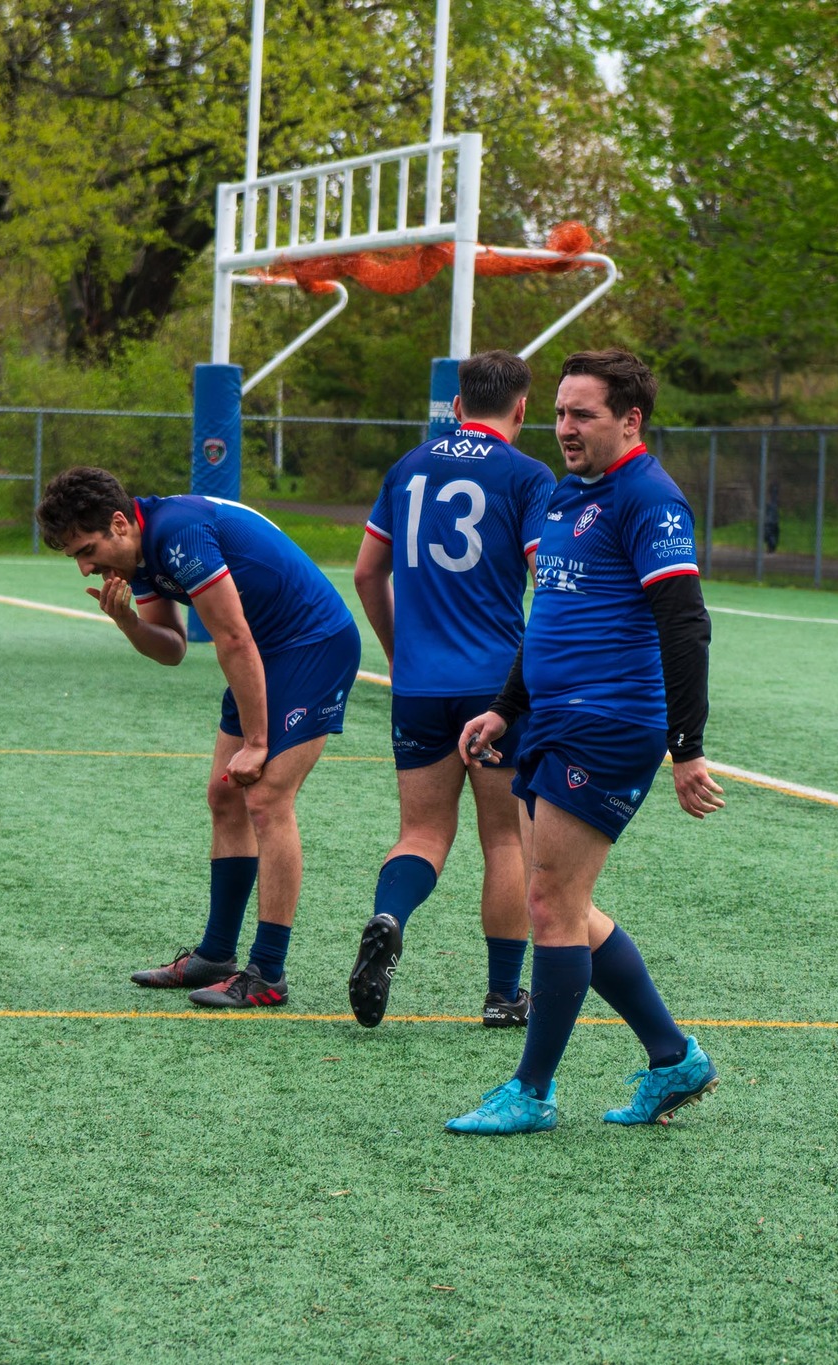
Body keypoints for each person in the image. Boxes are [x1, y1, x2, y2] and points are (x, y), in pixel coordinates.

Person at [446, 348, 726, 1136]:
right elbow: (552, 619)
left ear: (629, 419)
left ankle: (531, 1091)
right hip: (550, 719)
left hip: (608, 723)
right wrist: (506, 707)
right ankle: (673, 1057)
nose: (565, 428)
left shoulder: (649, 500)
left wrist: (687, 746)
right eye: (561, 412)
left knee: (549, 904)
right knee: (569, 904)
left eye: (584, 414)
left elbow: (685, 623)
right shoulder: (572, 493)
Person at [35, 467, 361, 1009]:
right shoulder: (135, 549)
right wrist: (129, 625)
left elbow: (231, 636)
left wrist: (256, 742)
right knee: (223, 795)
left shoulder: (178, 533)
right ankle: (214, 956)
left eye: (87, 550)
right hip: (264, 650)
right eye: (76, 556)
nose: (86, 566)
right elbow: (173, 648)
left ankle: (268, 973)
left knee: (267, 797)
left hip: (312, 644)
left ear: (119, 522)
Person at [348, 350, 556, 1030]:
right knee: (504, 840)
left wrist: (398, 651)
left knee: (422, 831)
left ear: (457, 405)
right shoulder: (527, 476)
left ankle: (389, 915)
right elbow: (547, 586)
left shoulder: (409, 467)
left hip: (419, 683)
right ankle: (503, 995)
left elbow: (365, 573)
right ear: (521, 408)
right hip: (497, 689)